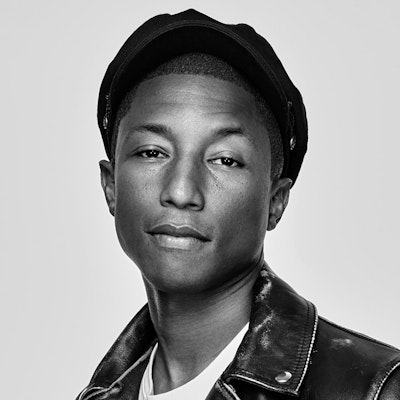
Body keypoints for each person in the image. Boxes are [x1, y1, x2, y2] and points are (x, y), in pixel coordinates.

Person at [76, 9, 400, 400]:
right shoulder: (107, 391)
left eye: (225, 160)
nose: (181, 191)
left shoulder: (376, 388)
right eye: (152, 152)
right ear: (111, 186)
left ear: (276, 202)